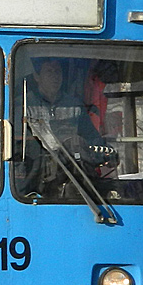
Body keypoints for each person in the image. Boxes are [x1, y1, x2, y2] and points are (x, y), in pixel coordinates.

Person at [16, 57, 112, 198]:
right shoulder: (23, 105)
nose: (55, 76)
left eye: (58, 72)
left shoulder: (74, 106)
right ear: (37, 76)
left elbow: (92, 138)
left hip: (71, 173)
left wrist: (105, 152)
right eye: (49, 71)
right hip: (35, 175)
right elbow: (17, 144)